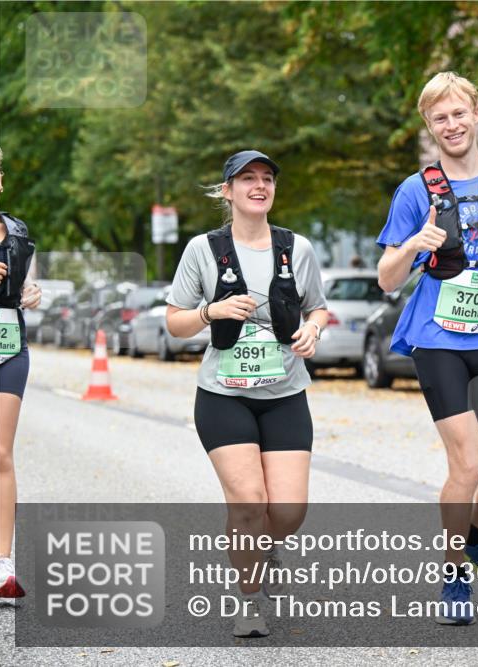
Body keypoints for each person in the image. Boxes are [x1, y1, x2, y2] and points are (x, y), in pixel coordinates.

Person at [376, 72, 478, 625]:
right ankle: (453, 573)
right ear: (430, 126)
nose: (451, 125)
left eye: (458, 113)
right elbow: (385, 277)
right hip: (437, 340)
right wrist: (414, 247)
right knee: (467, 463)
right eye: (439, 117)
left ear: (476, 114)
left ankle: (476, 538)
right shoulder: (415, 191)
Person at [166, 150, 328, 637]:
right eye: (247, 179)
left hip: (285, 393)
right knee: (248, 502)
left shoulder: (296, 248)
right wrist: (211, 313)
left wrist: (314, 332)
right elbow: (175, 322)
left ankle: (260, 542)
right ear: (228, 191)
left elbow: (317, 308)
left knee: (287, 512)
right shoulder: (203, 249)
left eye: (266, 179)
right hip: (222, 394)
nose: (259, 186)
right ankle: (249, 601)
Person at [0, 148, 41, 604]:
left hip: (8, 347)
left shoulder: (18, 232)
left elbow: (27, 281)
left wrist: (31, 291)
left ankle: (2, 563)